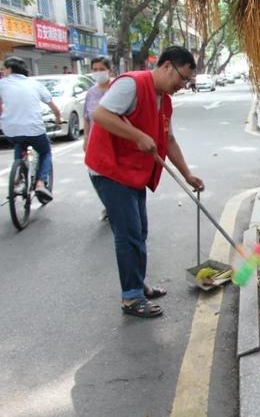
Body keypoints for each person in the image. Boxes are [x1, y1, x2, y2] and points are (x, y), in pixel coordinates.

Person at [85, 46, 204, 318]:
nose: (183, 85)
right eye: (182, 78)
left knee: (140, 232)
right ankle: (131, 298)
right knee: (128, 235)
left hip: (134, 172)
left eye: (187, 81)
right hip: (110, 169)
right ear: (166, 67)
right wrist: (137, 135)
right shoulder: (132, 84)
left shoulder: (165, 99)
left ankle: (136, 284)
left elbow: (169, 140)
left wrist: (187, 174)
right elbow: (101, 115)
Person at [0, 56, 62, 203]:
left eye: (4, 69)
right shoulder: (34, 84)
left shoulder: (2, 84)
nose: (3, 72)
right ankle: (40, 183)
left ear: (9, 69)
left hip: (10, 129)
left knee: (19, 143)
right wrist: (58, 118)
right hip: (34, 128)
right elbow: (52, 106)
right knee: (45, 151)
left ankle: (18, 176)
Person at [83, 56, 112, 221]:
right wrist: (86, 138)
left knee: (112, 176)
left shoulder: (116, 89)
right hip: (95, 142)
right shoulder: (91, 93)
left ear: (109, 70)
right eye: (94, 70)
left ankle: (114, 205)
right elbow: (86, 118)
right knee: (95, 175)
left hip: (115, 141)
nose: (98, 73)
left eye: (101, 69)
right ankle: (109, 204)